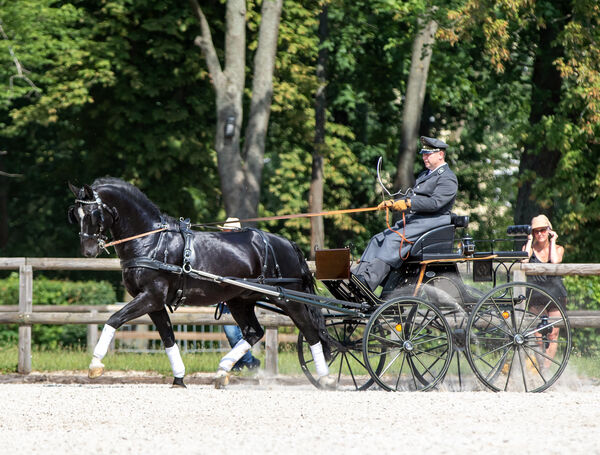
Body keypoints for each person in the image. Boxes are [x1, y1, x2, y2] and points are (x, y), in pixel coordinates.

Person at [353, 136, 458, 291]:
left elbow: (436, 203)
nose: (424, 157)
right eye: (423, 154)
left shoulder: (447, 177)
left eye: (428, 154)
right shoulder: (425, 175)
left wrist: (409, 203)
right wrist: (394, 203)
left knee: (393, 240)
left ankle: (368, 281)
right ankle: (358, 276)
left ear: (440, 155)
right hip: (418, 220)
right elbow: (413, 196)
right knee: (378, 239)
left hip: (433, 221)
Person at [522, 214, 567, 368]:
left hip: (556, 295)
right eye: (536, 231)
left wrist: (553, 240)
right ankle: (540, 367)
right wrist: (529, 241)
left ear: (549, 230)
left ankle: (545, 371)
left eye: (543, 230)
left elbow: (554, 261)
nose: (539, 234)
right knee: (538, 334)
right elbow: (523, 261)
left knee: (553, 334)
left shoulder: (558, 248)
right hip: (536, 296)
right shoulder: (528, 249)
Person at [219, 217, 261, 372]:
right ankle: (248, 362)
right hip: (225, 300)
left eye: (227, 231)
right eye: (224, 231)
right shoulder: (222, 250)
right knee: (231, 335)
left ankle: (239, 363)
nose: (225, 233)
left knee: (236, 334)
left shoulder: (243, 250)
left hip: (240, 298)